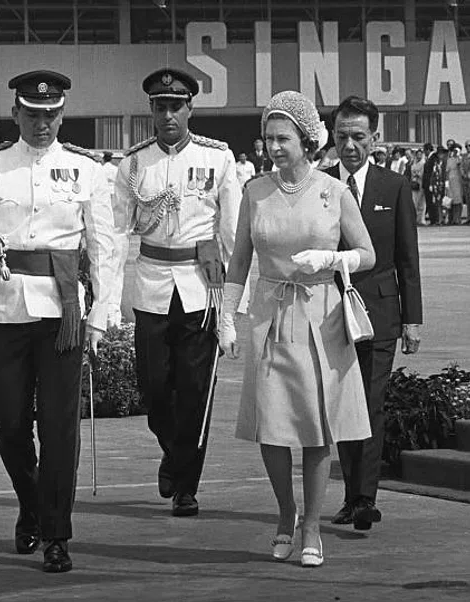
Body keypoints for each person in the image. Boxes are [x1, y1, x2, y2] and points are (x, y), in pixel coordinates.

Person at [0, 70, 119, 573]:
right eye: (33, 114)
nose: (42, 123)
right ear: (16, 114)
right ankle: (32, 502)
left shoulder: (86, 169)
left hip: (63, 311)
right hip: (7, 305)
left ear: (62, 114)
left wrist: (101, 313)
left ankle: (56, 534)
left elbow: (105, 246)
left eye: (51, 114)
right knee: (8, 424)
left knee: (59, 428)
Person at [218, 90, 375, 567]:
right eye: (268, 137)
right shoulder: (255, 192)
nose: (273, 147)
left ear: (307, 141)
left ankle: (311, 524)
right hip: (270, 313)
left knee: (315, 427)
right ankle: (285, 513)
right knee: (271, 426)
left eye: (282, 138)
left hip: (320, 315)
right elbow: (240, 259)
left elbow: (368, 254)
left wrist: (331, 258)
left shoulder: (334, 192)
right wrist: (227, 315)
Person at [112, 68, 240, 517]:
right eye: (160, 106)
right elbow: (115, 235)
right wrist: (107, 301)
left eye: (176, 106)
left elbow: (233, 239)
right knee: (154, 388)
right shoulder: (133, 164)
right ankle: (175, 450)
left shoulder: (218, 159)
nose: (167, 114)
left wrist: (230, 316)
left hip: (201, 288)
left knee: (195, 391)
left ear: (190, 108)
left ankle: (186, 484)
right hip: (151, 286)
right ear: (150, 109)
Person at [324, 96, 422, 532]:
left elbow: (407, 258)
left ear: (375, 138)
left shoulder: (393, 187)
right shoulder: (320, 185)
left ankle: (365, 498)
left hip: (380, 312)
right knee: (342, 405)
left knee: (372, 403)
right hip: (330, 312)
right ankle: (350, 494)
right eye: (342, 136)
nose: (349, 145)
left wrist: (412, 318)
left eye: (358, 137)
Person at [100, 151, 127, 327]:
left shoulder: (101, 170)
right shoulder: (115, 170)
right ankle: (112, 316)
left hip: (112, 222)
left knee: (110, 270)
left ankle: (110, 315)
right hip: (116, 223)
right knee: (116, 271)